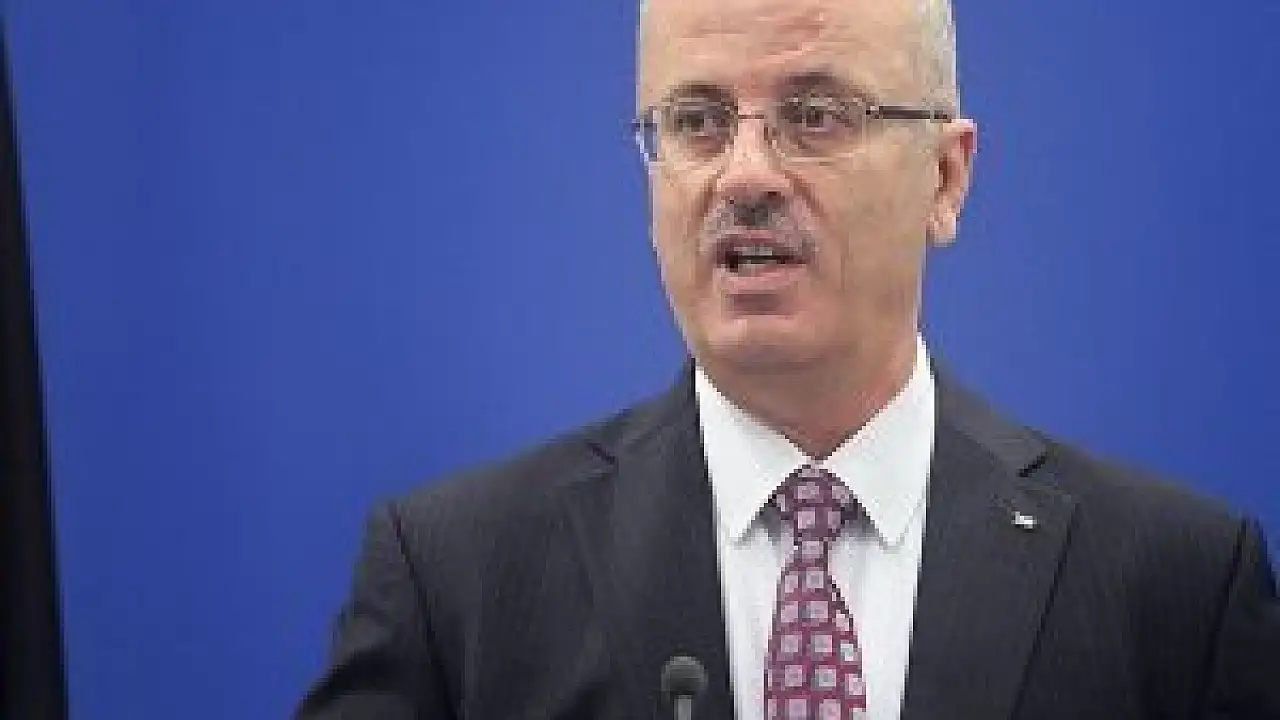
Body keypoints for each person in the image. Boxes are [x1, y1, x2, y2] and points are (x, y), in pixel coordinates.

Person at [296, 0, 1280, 717]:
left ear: (945, 178)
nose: (745, 174)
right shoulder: (456, 584)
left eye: (815, 115)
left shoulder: (1176, 589)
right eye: (695, 120)